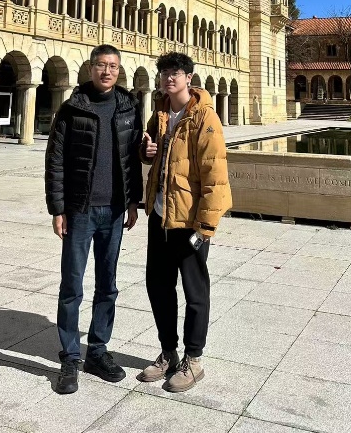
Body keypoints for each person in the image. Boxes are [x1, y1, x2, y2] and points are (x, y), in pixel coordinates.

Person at [45, 44, 143, 394]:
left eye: (113, 66)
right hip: (80, 210)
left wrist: (133, 202)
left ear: (119, 70)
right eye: (101, 65)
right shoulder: (73, 107)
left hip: (114, 210)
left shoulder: (129, 106)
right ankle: (71, 356)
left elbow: (133, 158)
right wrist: (58, 209)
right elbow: (55, 159)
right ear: (91, 68)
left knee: (108, 285)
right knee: (72, 285)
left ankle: (98, 351)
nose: (107, 71)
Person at [137, 52, 232, 392]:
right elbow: (147, 149)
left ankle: (194, 359)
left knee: (194, 291)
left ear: (189, 78)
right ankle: (168, 352)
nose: (169, 78)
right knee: (158, 287)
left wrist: (206, 227)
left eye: (175, 73)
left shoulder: (204, 116)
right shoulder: (161, 112)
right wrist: (145, 150)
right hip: (161, 216)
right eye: (164, 72)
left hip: (190, 222)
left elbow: (215, 173)